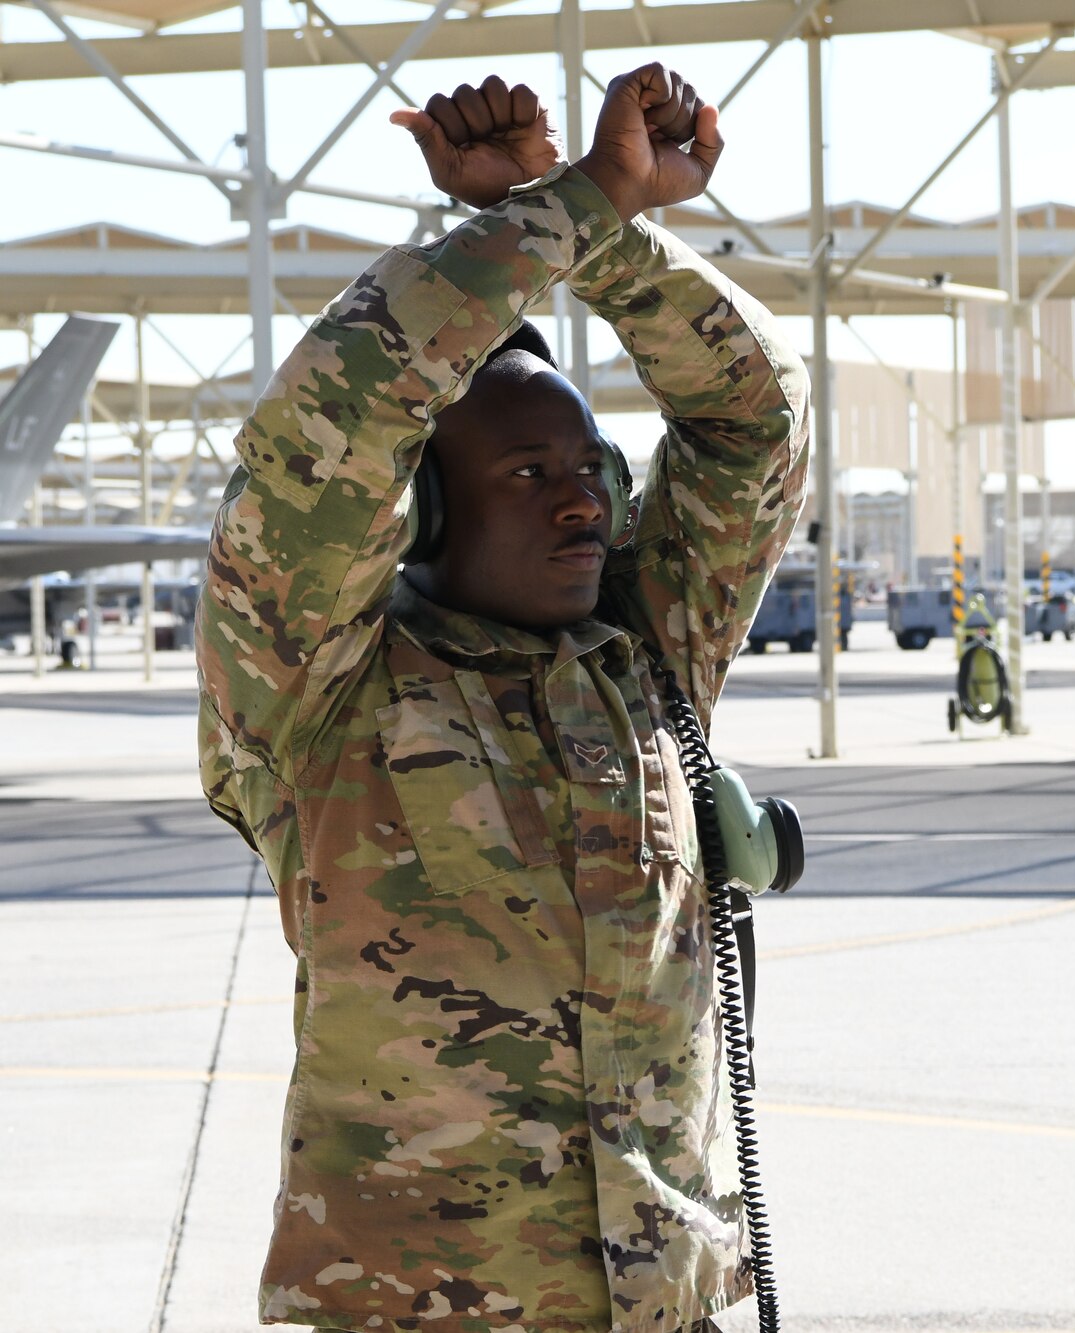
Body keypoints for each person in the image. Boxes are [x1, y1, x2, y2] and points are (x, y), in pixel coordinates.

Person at [197, 64, 808, 1333]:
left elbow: (758, 420)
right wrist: (567, 201)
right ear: (417, 511)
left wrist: (598, 227)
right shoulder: (315, 691)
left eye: (589, 467)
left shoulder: (647, 657)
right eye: (527, 470)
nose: (580, 500)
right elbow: (345, 411)